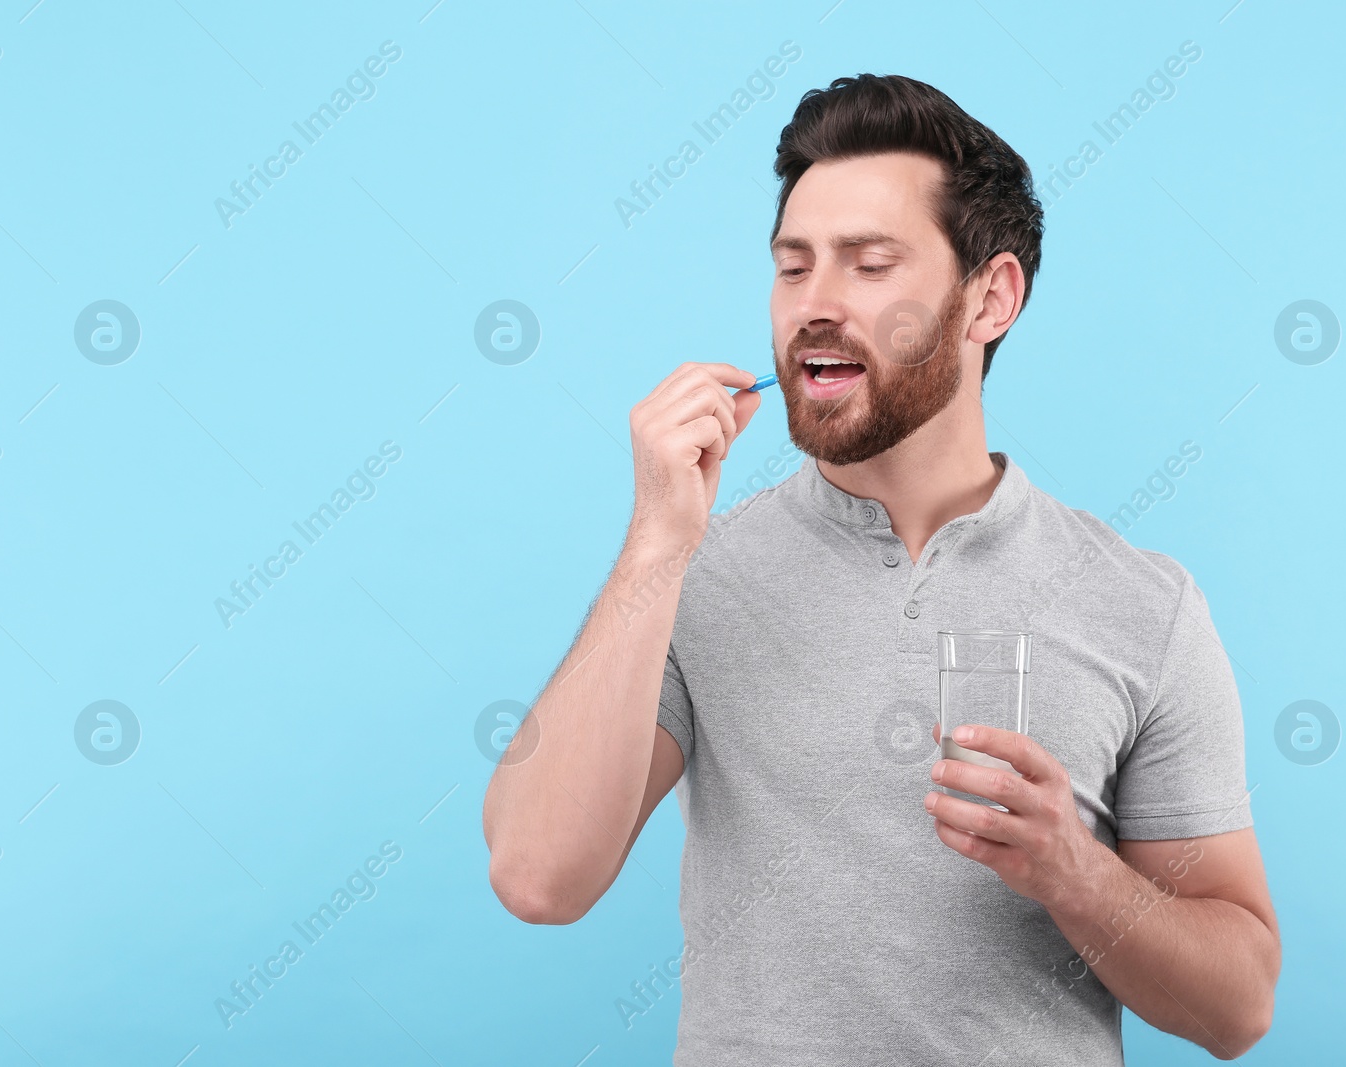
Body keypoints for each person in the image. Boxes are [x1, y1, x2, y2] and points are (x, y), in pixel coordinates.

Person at [483, 73, 1280, 1065]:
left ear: (989, 297)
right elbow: (536, 875)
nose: (814, 305)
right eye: (792, 266)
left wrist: (1073, 870)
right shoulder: (693, 574)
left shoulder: (1143, 605)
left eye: (867, 264)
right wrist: (655, 542)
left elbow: (1238, 1004)